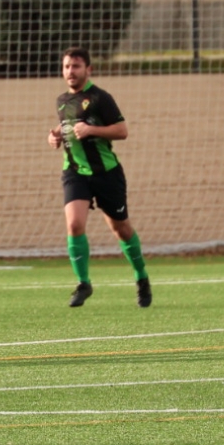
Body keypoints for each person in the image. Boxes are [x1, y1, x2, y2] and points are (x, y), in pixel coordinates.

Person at [46, 46, 151, 308]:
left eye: (76, 66)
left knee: (121, 230)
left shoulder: (100, 98)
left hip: (106, 174)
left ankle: (141, 277)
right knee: (74, 225)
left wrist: (91, 130)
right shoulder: (62, 100)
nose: (71, 71)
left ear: (88, 70)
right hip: (75, 173)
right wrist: (54, 135)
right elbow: (67, 124)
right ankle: (84, 283)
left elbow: (122, 131)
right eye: (67, 66)